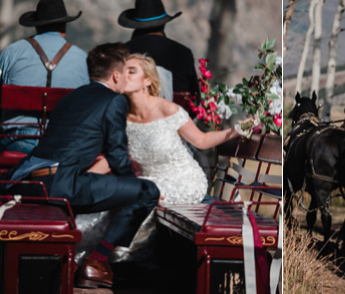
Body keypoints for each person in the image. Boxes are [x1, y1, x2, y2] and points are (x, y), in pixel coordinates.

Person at [2, 43, 160, 288]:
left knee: (101, 186)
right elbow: (118, 156)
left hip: (26, 179)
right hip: (58, 184)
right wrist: (132, 187)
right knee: (147, 192)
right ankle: (97, 263)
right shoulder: (115, 101)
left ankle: (70, 261)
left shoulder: (70, 97)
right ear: (116, 75)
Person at [83, 54, 246, 262]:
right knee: (108, 208)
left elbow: (202, 140)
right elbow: (112, 158)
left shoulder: (168, 109)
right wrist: (83, 179)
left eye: (132, 71)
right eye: (122, 71)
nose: (124, 76)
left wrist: (237, 130)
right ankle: (99, 259)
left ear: (147, 81)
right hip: (149, 182)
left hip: (184, 180)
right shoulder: (120, 117)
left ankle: (120, 262)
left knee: (137, 201)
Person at [0, 0, 89, 154]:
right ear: (64, 28)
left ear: (36, 27)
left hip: (16, 142)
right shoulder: (83, 59)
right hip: (65, 142)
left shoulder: (10, 53)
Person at [118, 0, 200, 100]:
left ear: (136, 25)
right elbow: (195, 97)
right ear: (164, 23)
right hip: (177, 114)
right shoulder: (183, 52)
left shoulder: (122, 53)